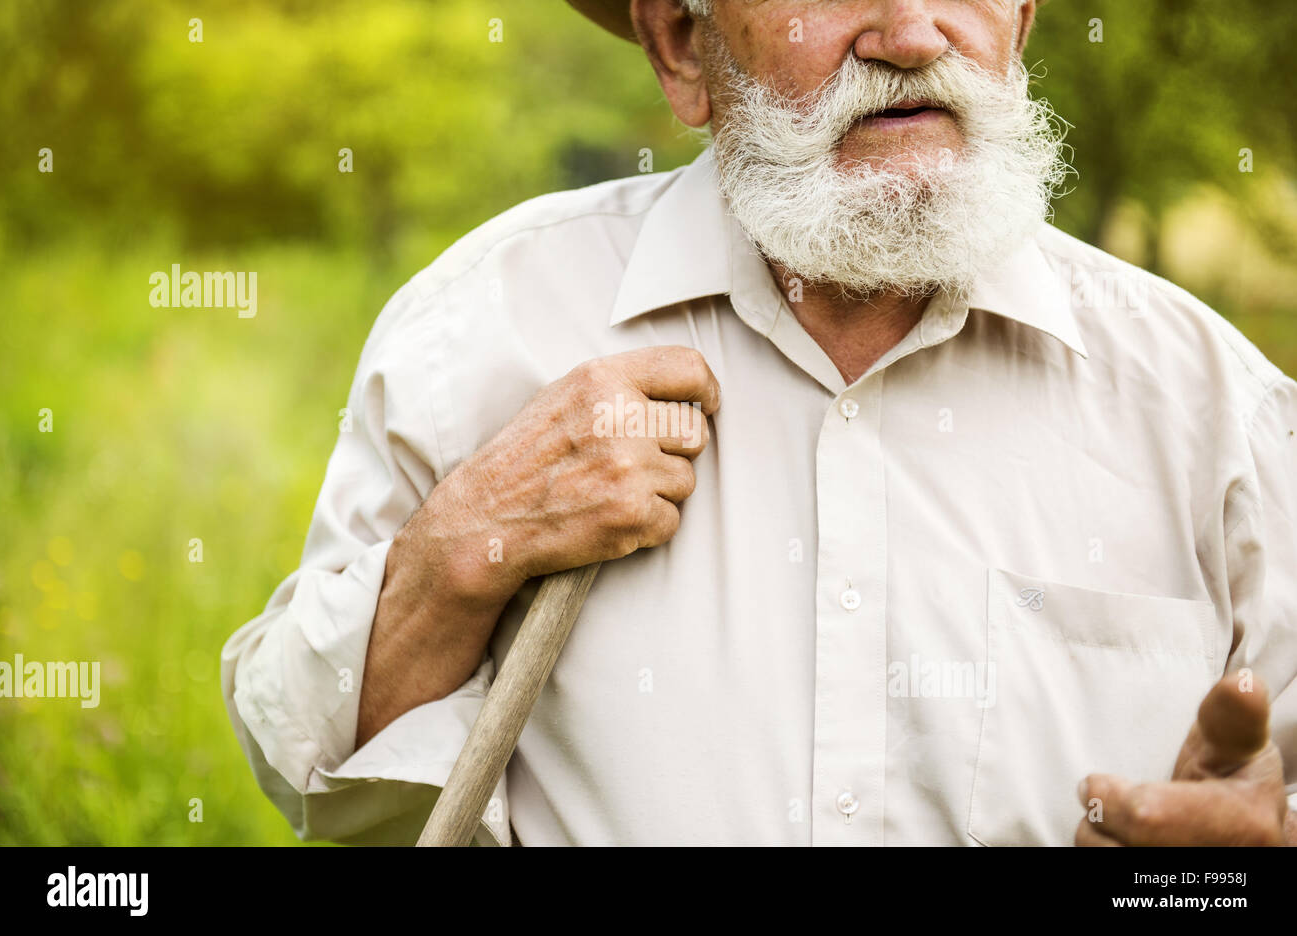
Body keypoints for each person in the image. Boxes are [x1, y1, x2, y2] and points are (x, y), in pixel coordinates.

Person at [222, 0, 1297, 845]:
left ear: (1019, 21)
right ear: (681, 45)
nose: (911, 34)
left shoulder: (1212, 411)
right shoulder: (483, 327)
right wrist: (464, 549)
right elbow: (301, 768)